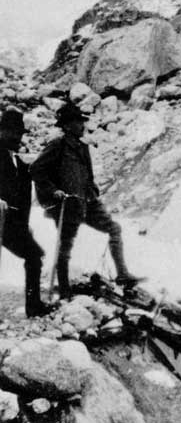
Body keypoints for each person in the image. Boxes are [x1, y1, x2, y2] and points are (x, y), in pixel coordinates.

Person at [30, 103, 144, 299]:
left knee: (114, 229)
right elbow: (36, 170)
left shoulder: (83, 147)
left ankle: (123, 274)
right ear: (66, 126)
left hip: (88, 202)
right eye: (77, 122)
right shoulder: (57, 146)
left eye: (82, 121)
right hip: (67, 205)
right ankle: (65, 291)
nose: (82, 125)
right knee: (65, 247)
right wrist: (54, 191)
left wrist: (92, 190)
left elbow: (89, 175)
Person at [0, 108, 52, 317]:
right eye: (12, 132)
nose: (17, 137)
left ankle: (34, 306)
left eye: (19, 133)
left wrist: (23, 225)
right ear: (1, 131)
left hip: (12, 224)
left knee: (34, 256)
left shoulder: (19, 163)